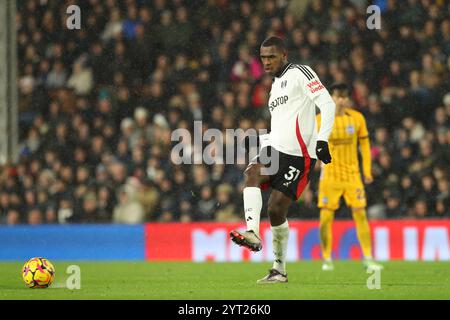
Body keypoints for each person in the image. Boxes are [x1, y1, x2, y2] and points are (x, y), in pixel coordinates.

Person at [230, 36, 336, 284]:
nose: (266, 62)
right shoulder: (274, 87)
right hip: (275, 148)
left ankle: (279, 269)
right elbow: (281, 124)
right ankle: (253, 233)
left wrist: (322, 140)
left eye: (271, 57)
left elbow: (327, 104)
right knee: (252, 172)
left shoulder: (301, 72)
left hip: (300, 155)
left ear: (284, 55)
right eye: (263, 58)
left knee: (276, 209)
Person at [316, 83, 383, 271]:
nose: (341, 100)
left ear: (348, 100)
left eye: (344, 97)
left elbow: (365, 147)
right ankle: (327, 258)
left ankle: (368, 258)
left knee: (361, 213)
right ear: (331, 98)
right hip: (329, 175)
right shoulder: (320, 120)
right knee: (325, 219)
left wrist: (367, 171)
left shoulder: (357, 119)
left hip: (352, 175)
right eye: (338, 96)